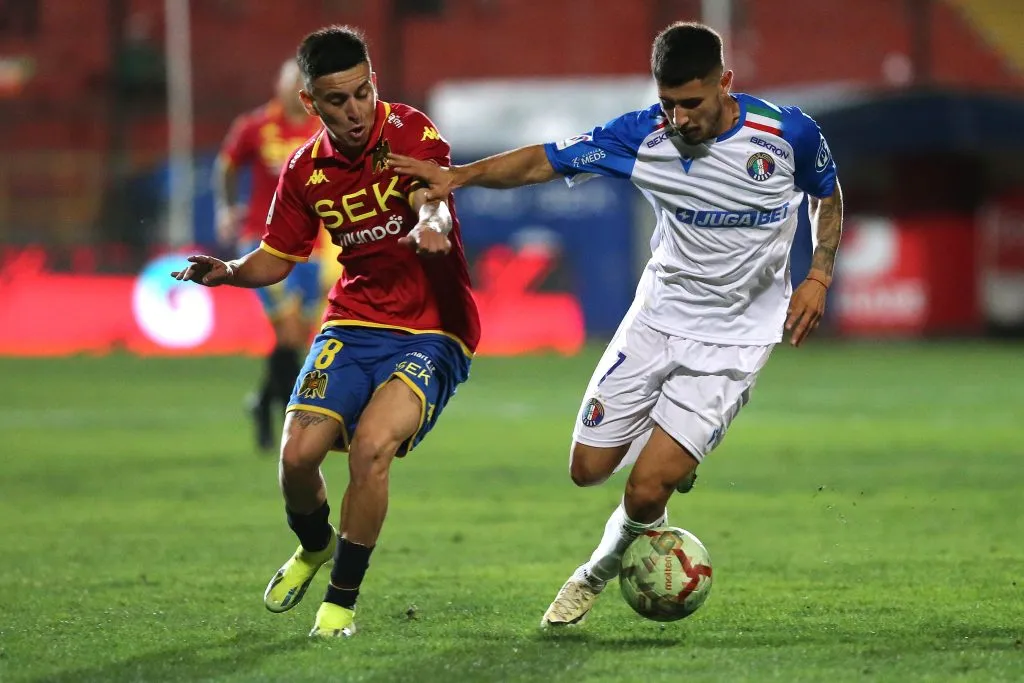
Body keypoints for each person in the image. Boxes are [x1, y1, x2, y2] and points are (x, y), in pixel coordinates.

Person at [389, 21, 843, 627]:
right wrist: (460, 177)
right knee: (587, 471)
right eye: (668, 104)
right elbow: (542, 163)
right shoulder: (641, 136)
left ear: (724, 83)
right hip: (655, 320)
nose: (679, 119)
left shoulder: (787, 133)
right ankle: (673, 451)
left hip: (735, 337)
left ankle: (592, 574)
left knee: (644, 488)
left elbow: (827, 194)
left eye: (692, 103)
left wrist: (818, 274)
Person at [173, 25, 480, 638]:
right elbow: (278, 258)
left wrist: (431, 222)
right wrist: (230, 272)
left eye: (363, 92)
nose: (356, 110)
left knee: (371, 449)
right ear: (311, 103)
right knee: (296, 458)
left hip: (432, 326)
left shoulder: (408, 131)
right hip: (354, 320)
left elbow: (432, 194)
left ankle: (340, 602)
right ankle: (313, 547)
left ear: (374, 83)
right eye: (338, 100)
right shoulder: (302, 171)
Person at [213, 59, 325, 451]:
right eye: (291, 79)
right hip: (264, 243)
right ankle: (297, 420)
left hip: (316, 248)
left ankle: (263, 403)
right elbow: (226, 166)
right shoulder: (256, 126)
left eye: (303, 81)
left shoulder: (323, 130)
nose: (297, 88)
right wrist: (226, 208)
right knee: (291, 331)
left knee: (298, 336)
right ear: (279, 85)